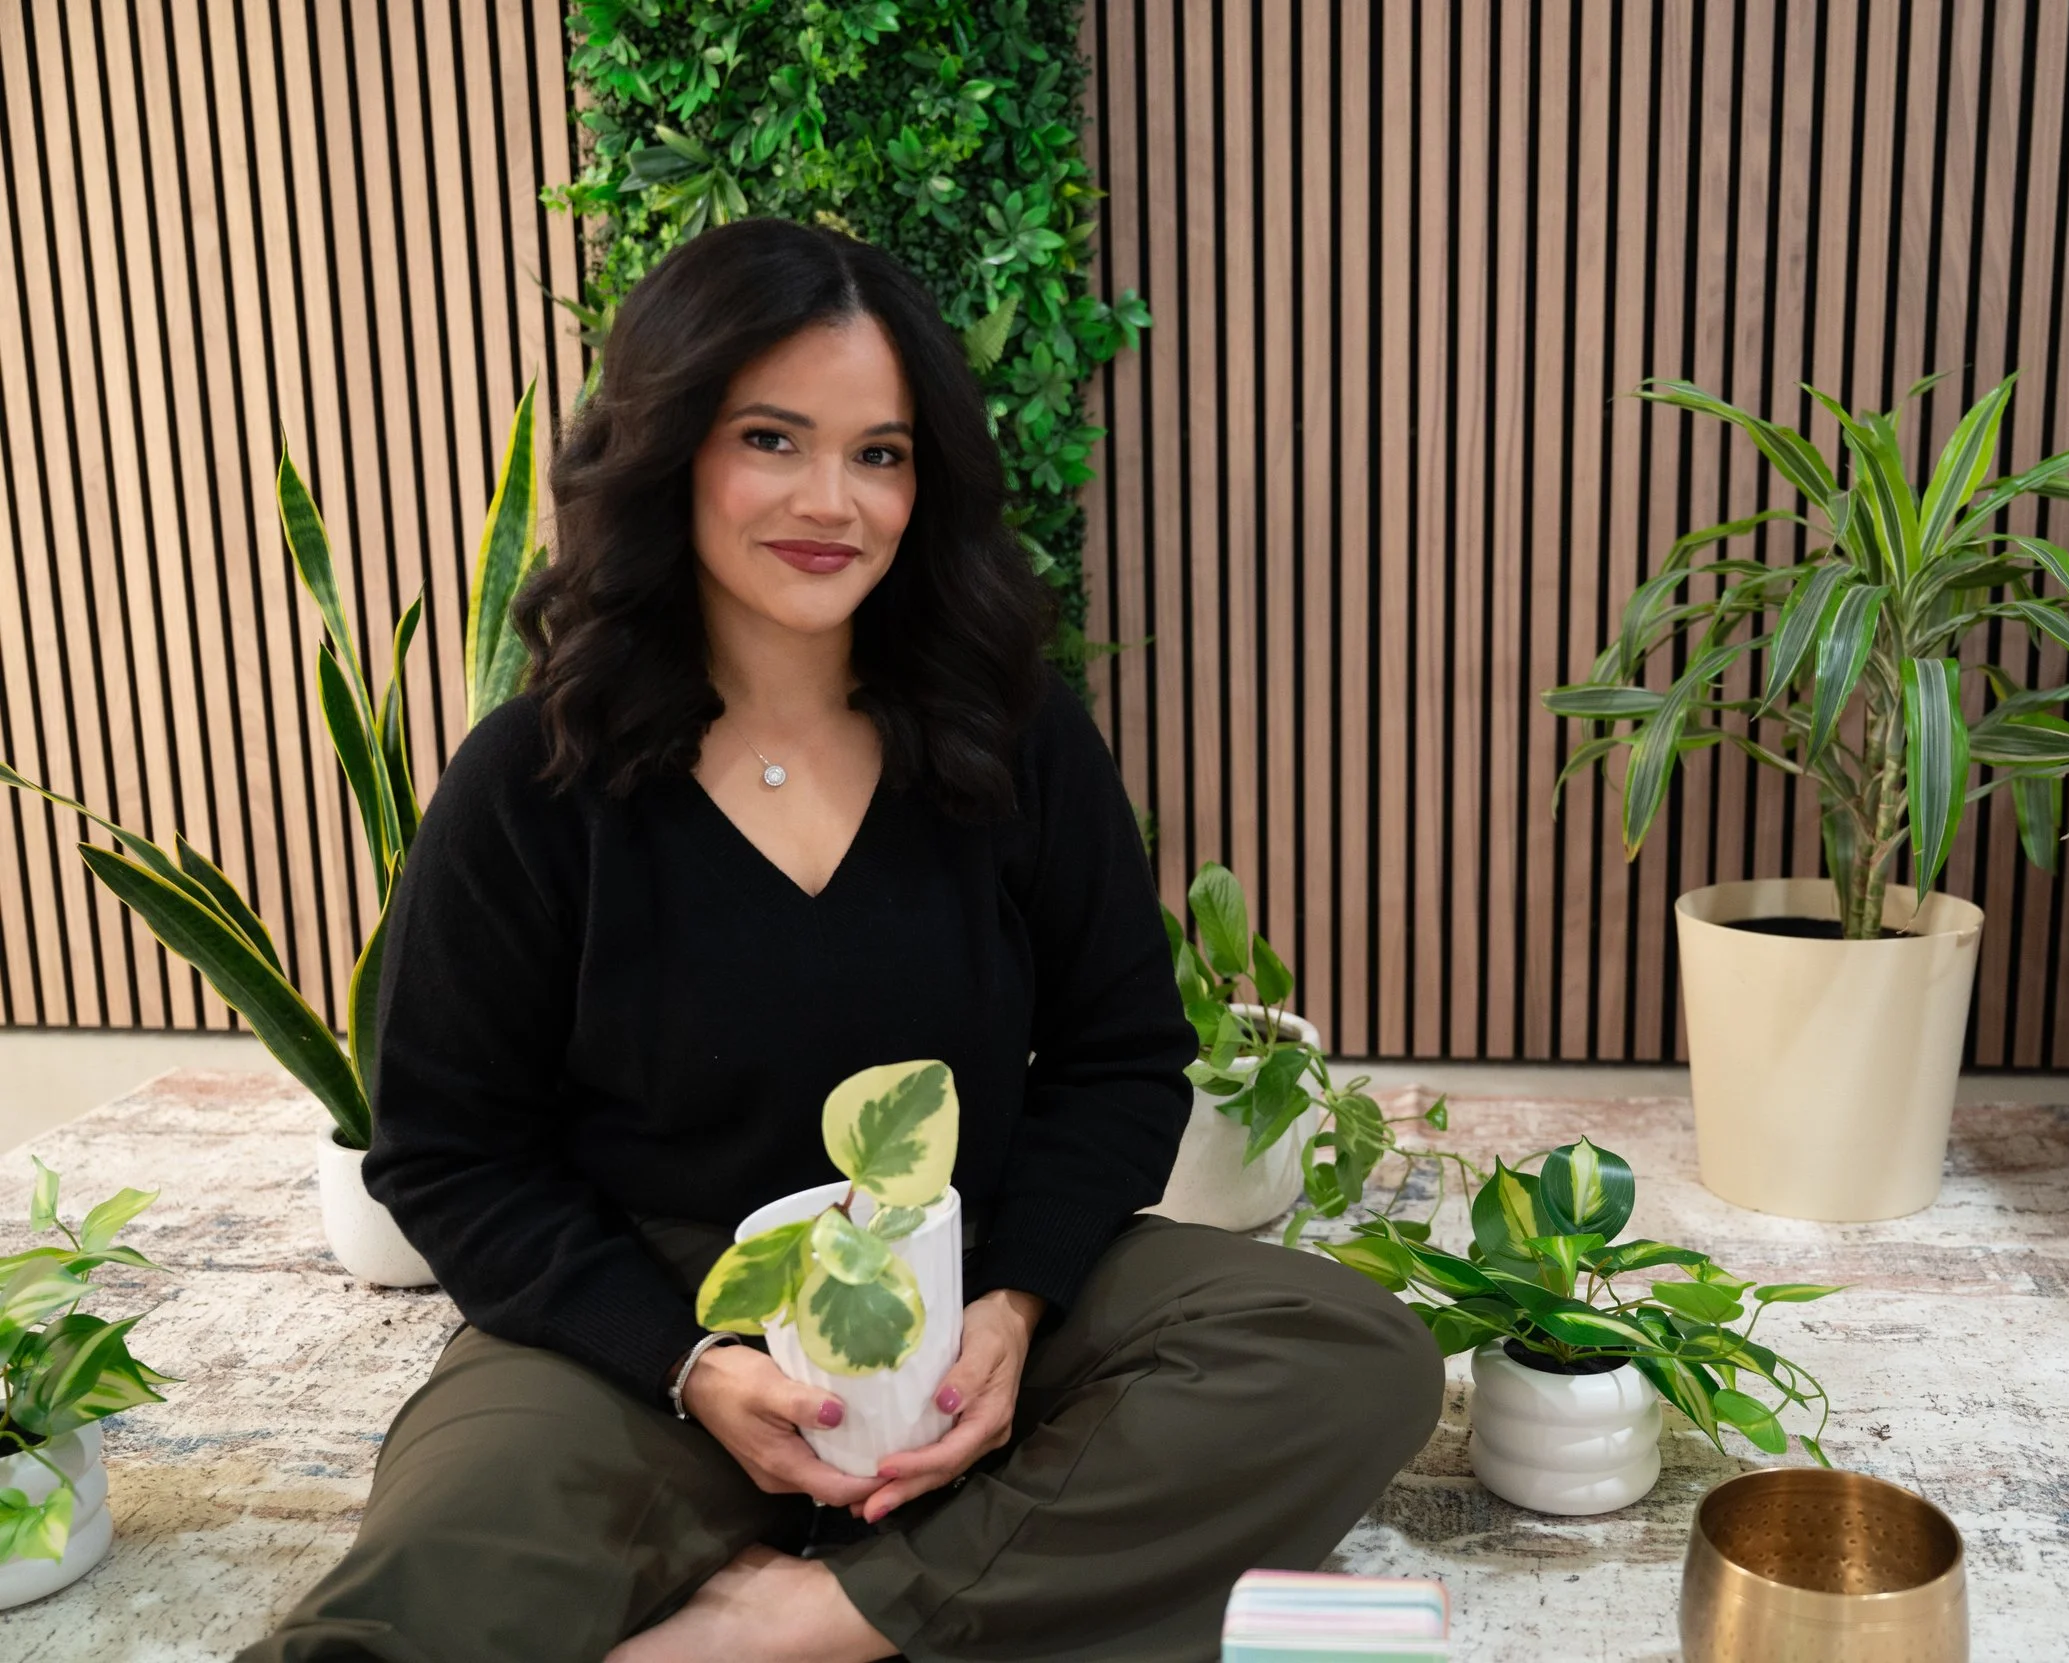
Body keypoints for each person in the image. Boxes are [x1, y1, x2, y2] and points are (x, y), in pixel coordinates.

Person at [242, 217, 1445, 1663]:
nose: (833, 498)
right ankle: (947, 1576)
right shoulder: (535, 777)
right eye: (772, 437)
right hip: (651, 1331)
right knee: (394, 1621)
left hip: (971, 1273)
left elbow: (1122, 1054)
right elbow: (449, 1149)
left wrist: (1011, 1305)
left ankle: (809, 1618)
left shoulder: (1012, 736)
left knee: (1347, 1357)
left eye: (880, 451)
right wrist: (690, 1367)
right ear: (670, 447)